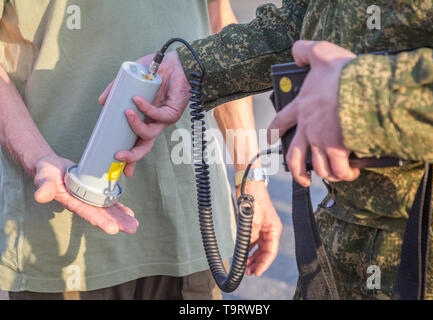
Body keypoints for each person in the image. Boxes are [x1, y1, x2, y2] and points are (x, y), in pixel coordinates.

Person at [105, 0, 433, 299]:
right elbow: (302, 24)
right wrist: (192, 68)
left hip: (431, 250)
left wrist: (364, 96)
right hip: (342, 237)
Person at [0, 0, 282, 300]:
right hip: (62, 228)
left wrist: (250, 176)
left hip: (193, 228)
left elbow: (219, 21)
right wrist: (38, 159)